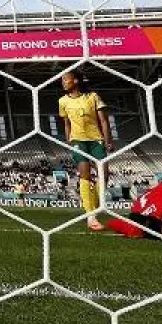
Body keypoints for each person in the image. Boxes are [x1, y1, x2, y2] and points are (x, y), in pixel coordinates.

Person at [58, 69, 112, 230]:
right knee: (85, 175)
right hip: (78, 141)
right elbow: (66, 123)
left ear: (75, 81)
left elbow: (104, 120)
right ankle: (91, 217)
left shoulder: (92, 97)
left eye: (65, 79)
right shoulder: (62, 101)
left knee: (104, 174)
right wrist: (69, 141)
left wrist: (108, 140)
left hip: (96, 140)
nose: (63, 82)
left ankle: (94, 207)